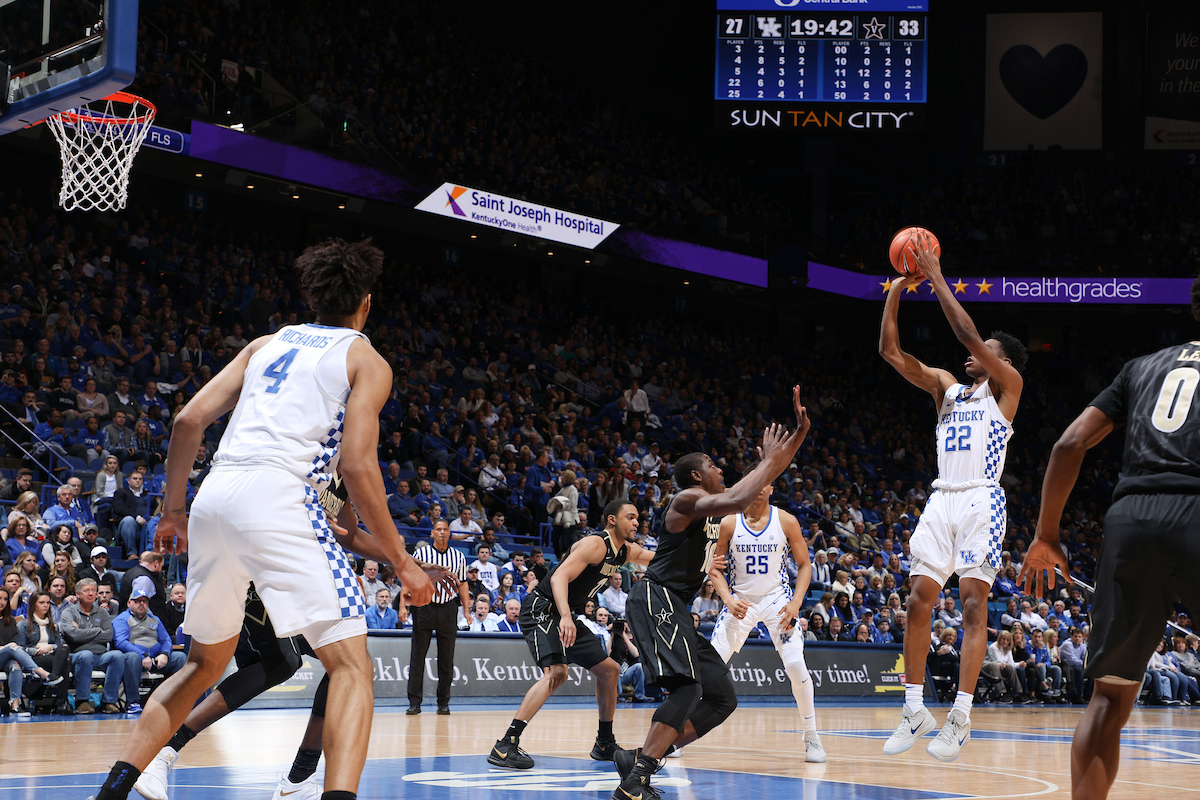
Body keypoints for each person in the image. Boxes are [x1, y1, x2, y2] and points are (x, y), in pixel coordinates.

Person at [86, 238, 435, 800]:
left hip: (216, 494)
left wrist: (172, 512)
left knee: (204, 664)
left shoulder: (264, 344)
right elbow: (356, 464)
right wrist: (403, 561)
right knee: (350, 667)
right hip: (283, 495)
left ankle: (113, 790)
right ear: (366, 303)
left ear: (311, 298)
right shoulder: (365, 359)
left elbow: (187, 421)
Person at [1016, 314, 1200, 798]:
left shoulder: (1142, 366)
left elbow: (1069, 443)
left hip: (1131, 519)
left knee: (1110, 697)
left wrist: (1046, 535)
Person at [612, 391, 808, 800]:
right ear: (697, 476)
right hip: (656, 599)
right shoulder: (686, 499)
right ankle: (637, 780)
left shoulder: (716, 503)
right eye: (713, 466)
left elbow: (758, 484)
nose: (721, 469)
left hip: (675, 607)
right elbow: (741, 495)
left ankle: (640, 758)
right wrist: (767, 460)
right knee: (687, 688)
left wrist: (799, 434)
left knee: (721, 698)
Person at [878, 235, 1028, 763]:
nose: (972, 350)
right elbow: (890, 352)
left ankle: (961, 716)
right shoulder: (946, 387)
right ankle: (914, 709)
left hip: (981, 500)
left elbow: (965, 331)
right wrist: (897, 289)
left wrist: (936, 274)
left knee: (971, 604)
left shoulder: (1007, 387)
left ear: (1000, 360)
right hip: (942, 497)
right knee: (918, 600)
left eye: (986, 348)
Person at [489, 500, 654, 770]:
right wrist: (566, 616)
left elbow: (656, 558)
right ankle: (506, 745)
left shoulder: (624, 551)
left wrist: (702, 560)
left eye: (638, 518)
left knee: (610, 671)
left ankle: (604, 743)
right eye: (630, 517)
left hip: (565, 614)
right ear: (612, 520)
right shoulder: (595, 544)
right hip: (543, 608)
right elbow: (558, 578)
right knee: (557, 673)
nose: (637, 522)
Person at [707, 484, 825, 762]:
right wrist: (727, 599)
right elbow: (714, 568)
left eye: (765, 483)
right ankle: (678, 733)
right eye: (754, 482)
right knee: (708, 667)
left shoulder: (786, 520)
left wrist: (796, 603)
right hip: (740, 601)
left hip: (777, 601)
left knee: (796, 665)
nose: (759, 488)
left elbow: (804, 565)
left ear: (771, 488)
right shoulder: (729, 523)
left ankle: (811, 735)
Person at [407, 518, 470, 715]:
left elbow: (463, 583)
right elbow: (409, 578)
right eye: (439, 529)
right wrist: (404, 605)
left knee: (446, 658)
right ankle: (414, 702)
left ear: (449, 533)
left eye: (445, 529)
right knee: (418, 656)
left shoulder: (459, 556)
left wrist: (466, 610)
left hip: (448, 608)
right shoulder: (421, 554)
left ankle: (443, 702)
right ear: (432, 533)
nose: (442, 532)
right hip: (424, 606)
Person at [113, 576, 187, 713]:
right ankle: (133, 702)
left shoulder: (155, 619)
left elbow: (166, 640)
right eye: (138, 601)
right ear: (129, 603)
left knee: (180, 658)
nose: (141, 604)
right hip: (136, 659)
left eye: (145, 601)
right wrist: (142, 655)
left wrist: (164, 654)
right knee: (132, 657)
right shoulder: (122, 619)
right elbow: (121, 642)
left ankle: (170, 700)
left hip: (156, 659)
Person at [62, 577, 125, 714]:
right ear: (78, 594)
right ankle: (82, 701)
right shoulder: (68, 612)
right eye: (86, 590)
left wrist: (82, 632)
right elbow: (73, 636)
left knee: (117, 655)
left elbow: (108, 635)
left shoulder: (102, 613)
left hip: (100, 655)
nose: (91, 593)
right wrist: (97, 631)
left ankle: (109, 701)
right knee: (86, 655)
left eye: (93, 590)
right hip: (76, 656)